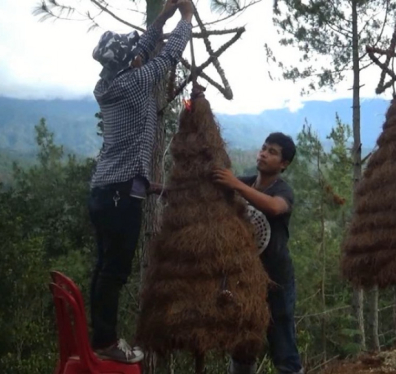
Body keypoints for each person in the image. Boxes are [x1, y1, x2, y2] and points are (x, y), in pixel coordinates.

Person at [87, 0, 194, 363]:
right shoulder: (135, 82)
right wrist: (186, 18)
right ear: (125, 63)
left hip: (106, 190)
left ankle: (99, 335)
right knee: (114, 272)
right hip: (119, 198)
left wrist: (162, 16)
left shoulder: (109, 82)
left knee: (104, 268)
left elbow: (142, 49)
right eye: (131, 53)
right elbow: (169, 56)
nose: (138, 54)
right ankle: (104, 342)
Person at [213, 132, 305, 374]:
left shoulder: (283, 190)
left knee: (282, 342)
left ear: (284, 164)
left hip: (277, 281)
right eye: (264, 148)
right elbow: (207, 190)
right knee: (243, 342)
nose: (263, 153)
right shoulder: (247, 182)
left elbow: (275, 207)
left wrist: (235, 185)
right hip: (245, 279)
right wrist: (159, 189)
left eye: (272, 152)